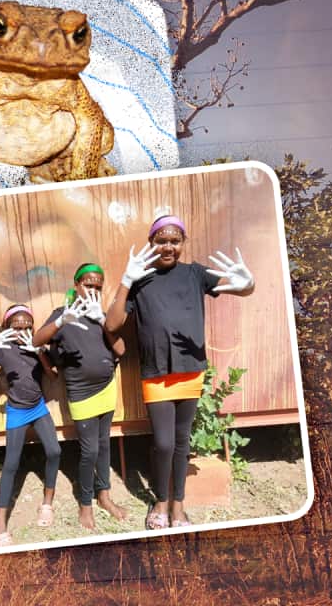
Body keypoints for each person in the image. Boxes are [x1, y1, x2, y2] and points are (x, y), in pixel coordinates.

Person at [104, 214, 255, 530]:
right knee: (163, 443)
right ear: (152, 243)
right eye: (161, 240)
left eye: (174, 241)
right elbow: (113, 324)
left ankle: (178, 507)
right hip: (155, 373)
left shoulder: (195, 274)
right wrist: (126, 280)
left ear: (183, 243)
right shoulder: (141, 279)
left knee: (181, 441)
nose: (168, 246)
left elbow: (240, 289)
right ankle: (160, 500)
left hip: (190, 370)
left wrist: (248, 283)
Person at [33, 263, 127, 530]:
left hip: (107, 387)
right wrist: (61, 321)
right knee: (89, 451)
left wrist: (101, 320)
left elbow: (120, 349)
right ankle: (85, 505)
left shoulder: (103, 315)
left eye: (98, 287)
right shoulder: (63, 313)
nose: (93, 290)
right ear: (76, 285)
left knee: (105, 445)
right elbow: (37, 341)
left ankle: (105, 497)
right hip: (81, 393)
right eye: (88, 285)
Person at [0, 304, 61, 546]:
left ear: (32, 325)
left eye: (27, 326)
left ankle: (47, 505)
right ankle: (0, 525)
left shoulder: (37, 344)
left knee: (54, 451)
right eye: (16, 326)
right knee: (11, 465)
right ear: (8, 327)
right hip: (17, 412)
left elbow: (53, 376)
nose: (22, 330)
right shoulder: (2, 347)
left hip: (38, 407)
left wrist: (39, 351)